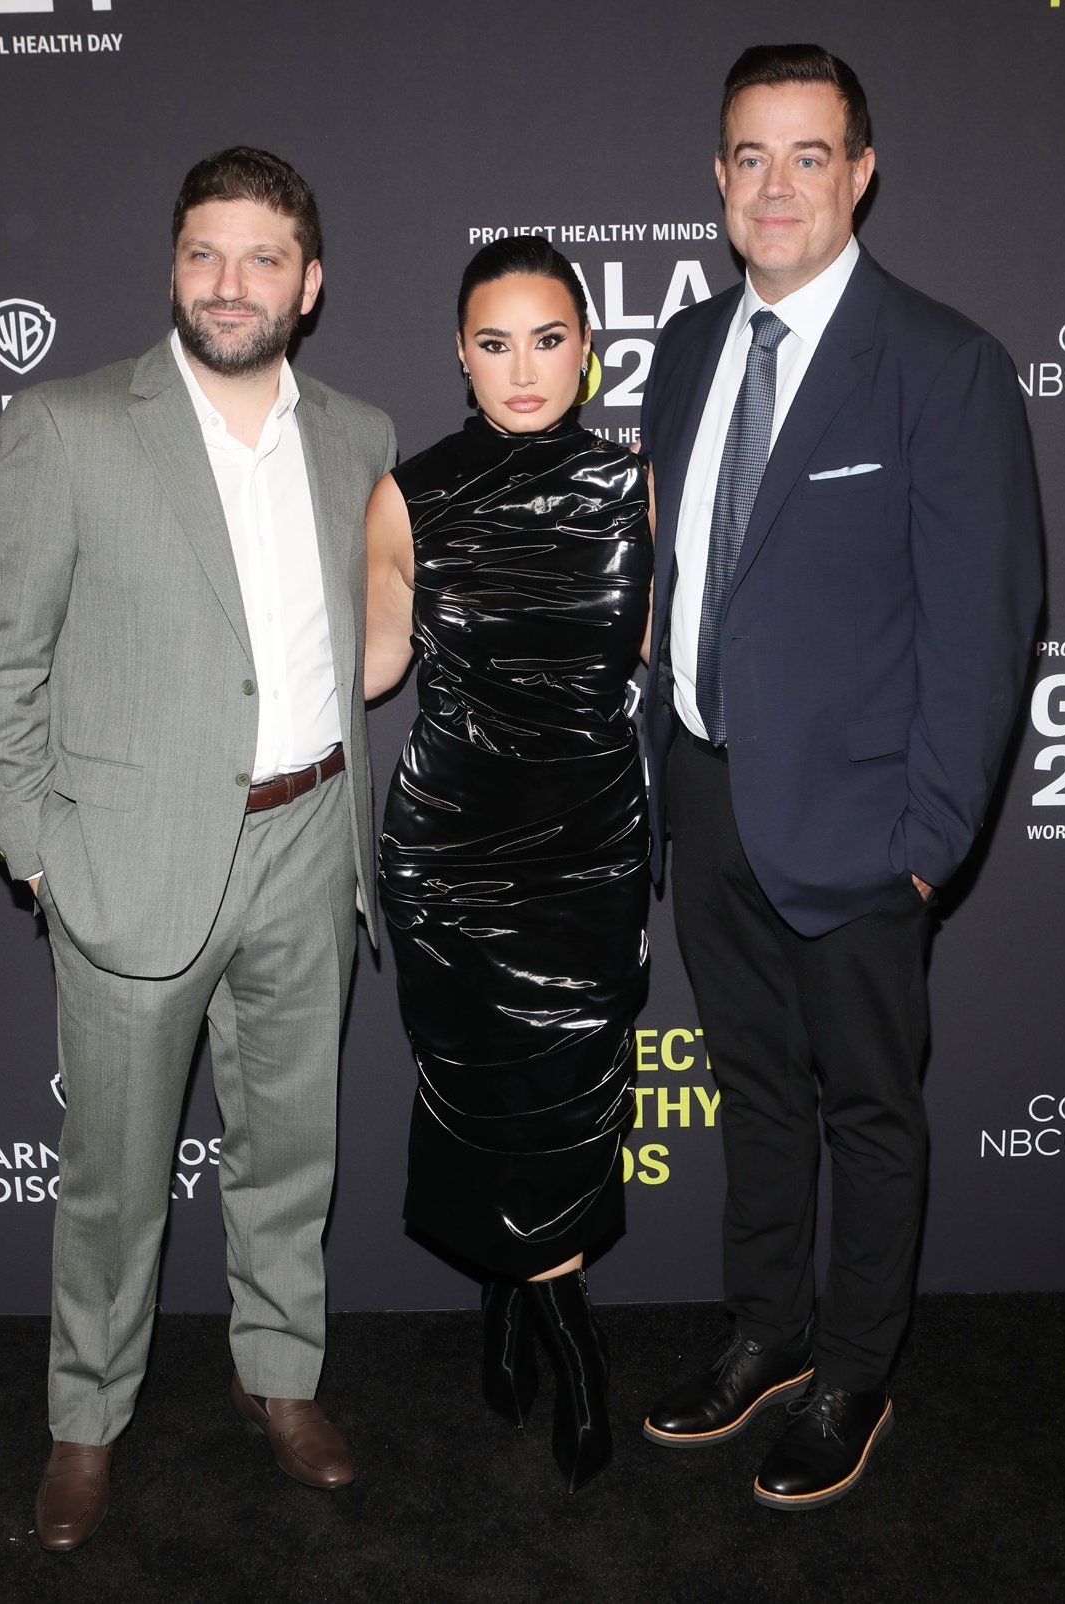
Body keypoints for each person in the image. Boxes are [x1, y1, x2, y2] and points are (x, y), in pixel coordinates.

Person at [0, 146, 395, 1551]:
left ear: (309, 286)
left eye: (264, 257)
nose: (231, 282)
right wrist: (41, 858)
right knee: (114, 1178)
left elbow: (365, 638)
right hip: (129, 867)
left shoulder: (360, 436)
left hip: (310, 841)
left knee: (290, 1158)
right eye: (206, 253)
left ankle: (283, 1380)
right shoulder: (72, 425)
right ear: (172, 267)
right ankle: (86, 1421)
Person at [639, 46, 1041, 1509]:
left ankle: (859, 1370)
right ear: (720, 177)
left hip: (866, 828)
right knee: (755, 1094)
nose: (777, 184)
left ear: (861, 173)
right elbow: (685, 577)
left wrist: (931, 840)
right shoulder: (686, 350)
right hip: (704, 792)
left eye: (810, 155)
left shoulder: (943, 364)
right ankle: (769, 1333)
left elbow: (985, 629)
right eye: (751, 155)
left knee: (870, 1108)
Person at [365, 237, 653, 1491]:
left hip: (588, 846)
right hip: (454, 855)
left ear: (588, 348)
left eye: (548, 339)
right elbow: (371, 667)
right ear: (461, 354)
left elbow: (651, 650)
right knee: (486, 1090)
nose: (522, 368)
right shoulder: (408, 491)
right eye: (495, 342)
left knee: (572, 1098)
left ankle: (504, 1289)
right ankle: (578, 1350)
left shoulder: (634, 480)